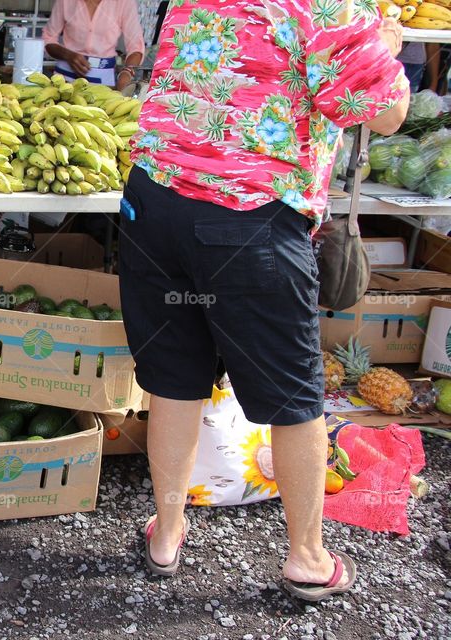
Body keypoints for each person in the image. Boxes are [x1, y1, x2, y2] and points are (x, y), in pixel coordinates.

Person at [120, 1, 408, 600]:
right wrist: (386, 48)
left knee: (175, 376)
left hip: (153, 202)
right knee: (294, 395)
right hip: (248, 215)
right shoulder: (329, 5)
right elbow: (384, 114)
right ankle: (306, 557)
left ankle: (167, 533)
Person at [42, 0, 145, 90]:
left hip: (103, 81)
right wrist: (68, 55)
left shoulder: (124, 3)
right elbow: (48, 38)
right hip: (63, 78)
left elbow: (136, 47)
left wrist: (127, 72)